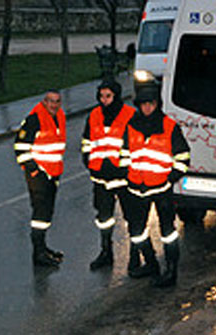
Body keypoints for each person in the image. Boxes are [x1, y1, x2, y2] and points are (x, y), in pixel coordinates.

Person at [122, 86, 190, 286]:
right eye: (143, 104)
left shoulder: (169, 126)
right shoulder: (131, 125)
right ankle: (151, 263)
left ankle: (171, 272)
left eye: (150, 104)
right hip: (136, 188)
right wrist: (128, 175)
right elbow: (124, 153)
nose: (147, 108)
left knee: (168, 233)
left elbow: (183, 156)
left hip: (161, 189)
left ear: (157, 104)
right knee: (137, 231)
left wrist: (170, 178)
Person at [81, 80, 136, 271]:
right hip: (101, 179)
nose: (104, 100)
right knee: (104, 218)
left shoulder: (130, 115)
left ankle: (135, 256)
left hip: (124, 178)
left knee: (133, 217)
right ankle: (106, 252)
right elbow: (87, 142)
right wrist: (89, 163)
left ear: (116, 96)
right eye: (101, 96)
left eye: (108, 96)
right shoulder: (94, 115)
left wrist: (126, 170)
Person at [14, 89, 67, 267]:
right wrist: (35, 171)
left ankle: (43, 248)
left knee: (47, 213)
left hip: (53, 173)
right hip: (39, 175)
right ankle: (38, 254)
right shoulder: (34, 119)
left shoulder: (60, 116)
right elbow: (20, 148)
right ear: (44, 101)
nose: (53, 104)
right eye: (50, 101)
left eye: (57, 101)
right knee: (40, 214)